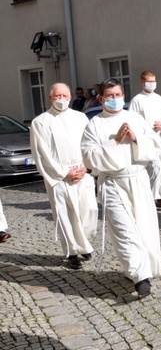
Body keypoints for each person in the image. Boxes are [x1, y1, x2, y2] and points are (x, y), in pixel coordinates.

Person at [81, 78, 161, 298]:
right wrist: (115, 141)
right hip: (112, 182)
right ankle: (140, 277)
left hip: (137, 179)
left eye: (118, 95)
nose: (114, 99)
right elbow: (89, 158)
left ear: (123, 96)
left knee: (143, 226)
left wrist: (136, 139)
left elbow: (154, 146)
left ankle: (144, 267)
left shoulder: (135, 118)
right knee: (123, 228)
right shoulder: (94, 124)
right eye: (110, 96)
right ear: (101, 98)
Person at [30, 83, 98, 270]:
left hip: (82, 172)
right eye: (57, 96)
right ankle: (72, 252)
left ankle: (82, 241)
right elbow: (42, 153)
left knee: (89, 210)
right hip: (59, 176)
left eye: (65, 95)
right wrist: (63, 172)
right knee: (66, 215)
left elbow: (90, 144)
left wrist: (86, 167)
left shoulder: (81, 117)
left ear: (70, 97)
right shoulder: (40, 122)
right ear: (50, 98)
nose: (61, 99)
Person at [129, 70, 161, 209]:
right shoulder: (137, 100)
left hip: (158, 137)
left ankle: (160, 196)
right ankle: (147, 196)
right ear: (142, 82)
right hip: (145, 139)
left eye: (154, 81)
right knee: (153, 167)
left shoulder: (159, 98)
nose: (152, 84)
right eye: (149, 81)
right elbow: (133, 119)